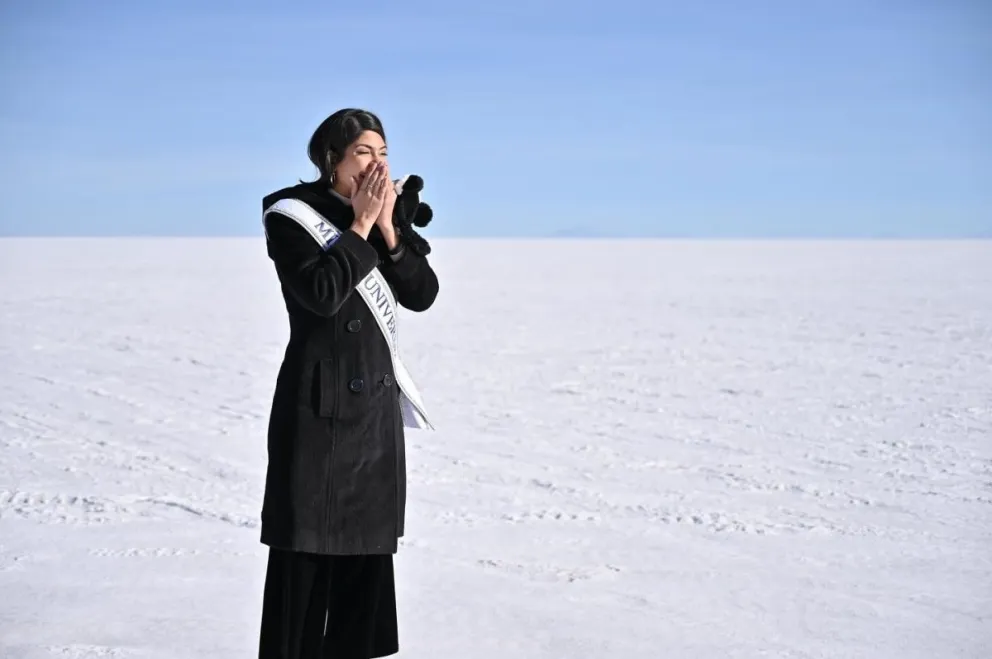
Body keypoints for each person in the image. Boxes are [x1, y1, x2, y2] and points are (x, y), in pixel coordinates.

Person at [256, 108, 439, 658]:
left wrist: (388, 230)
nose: (377, 164)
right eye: (364, 152)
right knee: (303, 577)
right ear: (331, 159)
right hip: (316, 416)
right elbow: (320, 295)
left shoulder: (388, 217)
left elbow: (422, 294)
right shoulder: (291, 215)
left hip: (373, 425)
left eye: (383, 153)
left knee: (364, 577)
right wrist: (359, 226)